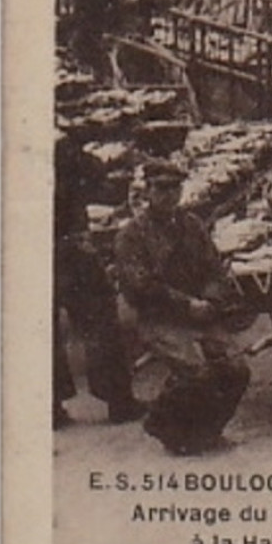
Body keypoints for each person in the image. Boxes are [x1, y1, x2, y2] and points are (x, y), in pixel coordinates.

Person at [114, 161, 251, 456]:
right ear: (147, 191)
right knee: (197, 372)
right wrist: (187, 303)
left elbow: (215, 269)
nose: (169, 194)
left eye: (175, 187)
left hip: (200, 313)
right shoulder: (131, 236)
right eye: (161, 188)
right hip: (160, 318)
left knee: (237, 369)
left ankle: (209, 430)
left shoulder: (192, 225)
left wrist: (210, 300)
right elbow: (141, 286)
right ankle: (165, 424)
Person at [53, 136, 144, 430]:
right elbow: (93, 172)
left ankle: (50, 405)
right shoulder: (59, 143)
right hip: (70, 244)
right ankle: (117, 399)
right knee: (99, 320)